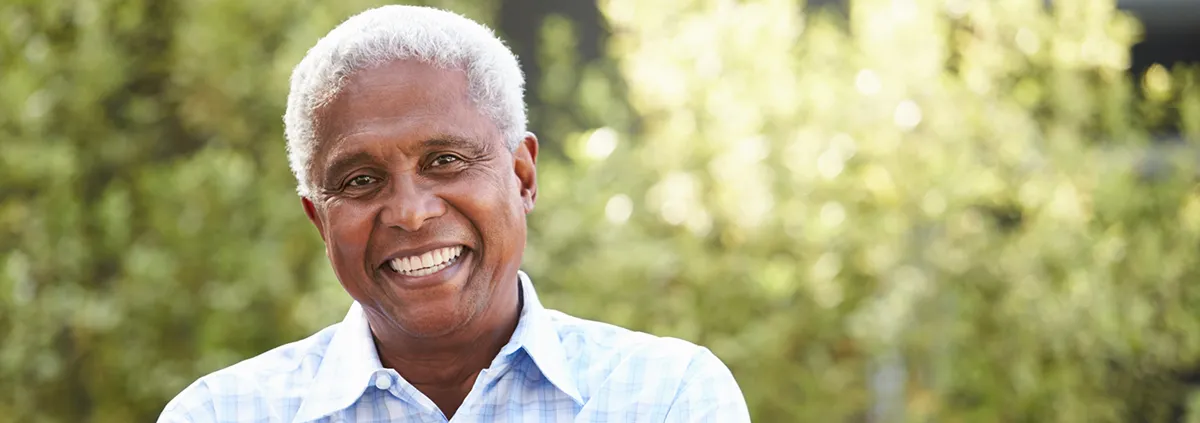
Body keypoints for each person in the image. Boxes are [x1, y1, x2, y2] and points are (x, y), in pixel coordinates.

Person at [158, 5, 749, 422]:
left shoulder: (665, 398)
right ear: (319, 220)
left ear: (522, 176)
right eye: (360, 180)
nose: (411, 214)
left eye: (445, 160)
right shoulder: (220, 413)